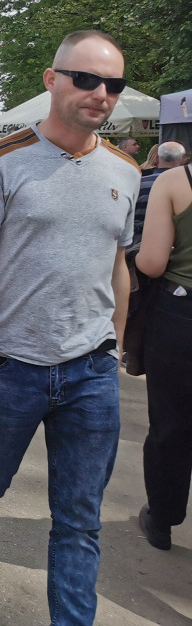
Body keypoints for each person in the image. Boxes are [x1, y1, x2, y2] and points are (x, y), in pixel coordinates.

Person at [0, 31, 140, 626]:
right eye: (87, 79)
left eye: (113, 85)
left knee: (79, 518)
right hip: (9, 366)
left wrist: (117, 345)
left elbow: (118, 265)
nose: (101, 93)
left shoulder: (125, 171)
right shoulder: (2, 161)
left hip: (91, 370)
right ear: (52, 80)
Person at [134, 155, 192, 551]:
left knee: (171, 421)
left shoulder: (174, 181)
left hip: (180, 313)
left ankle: (163, 519)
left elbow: (152, 263)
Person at [133, 141, 185, 245]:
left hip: (140, 243)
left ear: (156, 159)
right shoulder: (186, 185)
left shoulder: (138, 183)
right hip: (176, 244)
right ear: (182, 161)